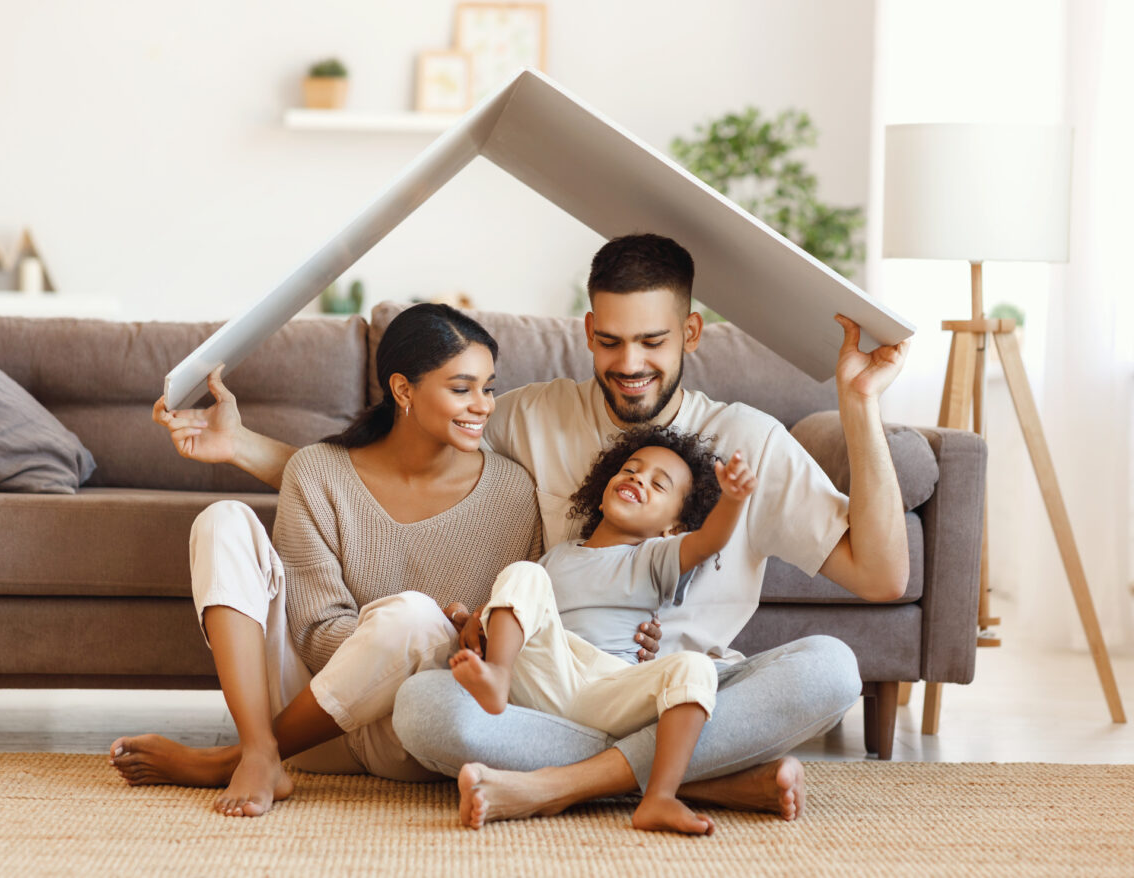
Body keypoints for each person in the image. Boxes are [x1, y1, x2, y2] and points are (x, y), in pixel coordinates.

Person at [146, 233, 910, 826]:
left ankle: (563, 786)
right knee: (425, 709)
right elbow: (389, 464)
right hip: (548, 696)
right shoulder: (530, 415)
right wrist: (242, 448)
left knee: (830, 670)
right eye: (610, 341)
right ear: (587, 329)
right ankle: (691, 778)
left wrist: (859, 405)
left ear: (693, 333)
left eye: (652, 341)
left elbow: (880, 577)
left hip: (685, 692)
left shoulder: (749, 441)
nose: (630, 363)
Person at [108, 303, 541, 817]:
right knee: (222, 520)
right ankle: (259, 746)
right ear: (403, 390)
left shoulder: (512, 490)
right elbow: (313, 632)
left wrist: (454, 634)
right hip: (313, 718)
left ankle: (238, 758)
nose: (483, 406)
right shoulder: (317, 471)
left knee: (414, 618)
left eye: (488, 387)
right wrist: (384, 639)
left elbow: (512, 629)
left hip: (414, 727)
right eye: (461, 388)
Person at [450, 427, 756, 834]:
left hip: (607, 686)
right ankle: (497, 677)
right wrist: (468, 619)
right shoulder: (556, 556)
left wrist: (733, 500)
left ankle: (660, 797)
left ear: (673, 527)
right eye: (630, 470)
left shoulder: (653, 558)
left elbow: (708, 542)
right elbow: (520, 608)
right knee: (523, 573)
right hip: (546, 676)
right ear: (603, 489)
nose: (637, 479)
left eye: (657, 484)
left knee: (695, 668)